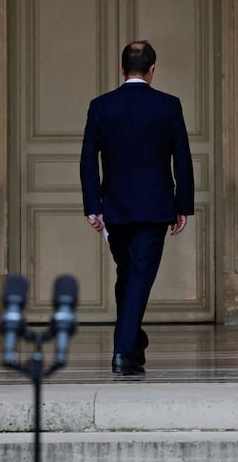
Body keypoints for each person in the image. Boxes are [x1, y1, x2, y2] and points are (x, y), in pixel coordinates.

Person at [79, 40, 194, 377]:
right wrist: (183, 204)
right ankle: (122, 349)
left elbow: (88, 158)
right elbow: (182, 158)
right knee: (137, 278)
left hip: (114, 209)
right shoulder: (168, 105)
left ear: (121, 68)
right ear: (152, 69)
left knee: (129, 276)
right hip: (155, 208)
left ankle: (134, 342)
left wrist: (92, 206)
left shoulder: (101, 106)